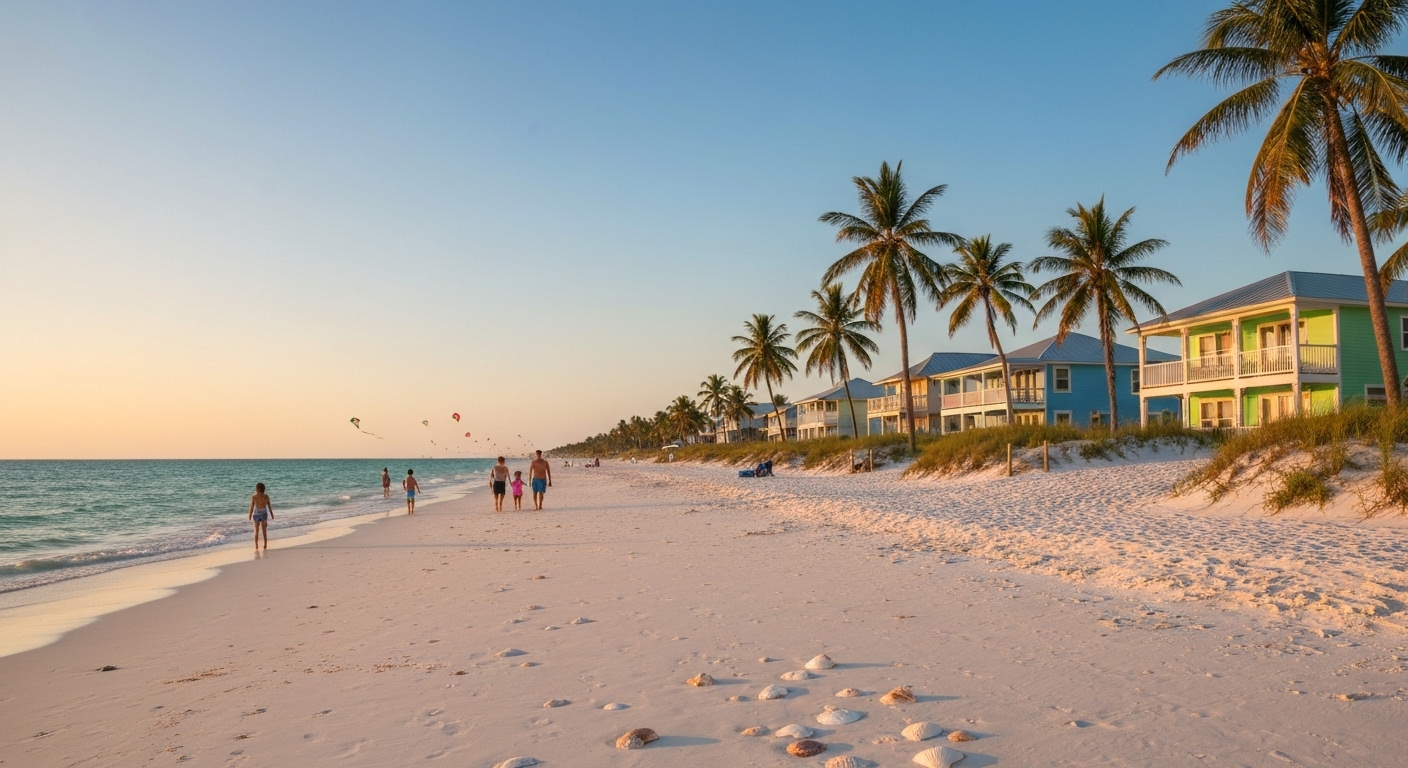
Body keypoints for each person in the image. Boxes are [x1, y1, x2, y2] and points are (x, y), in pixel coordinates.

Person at [248, 482, 273, 550]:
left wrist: (250, 515)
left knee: (256, 531)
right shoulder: (266, 496)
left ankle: (256, 545)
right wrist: (272, 514)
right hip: (264, 515)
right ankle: (265, 544)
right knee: (264, 530)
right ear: (264, 489)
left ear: (257, 489)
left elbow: (252, 507)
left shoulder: (254, 497)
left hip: (256, 515)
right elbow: (269, 506)